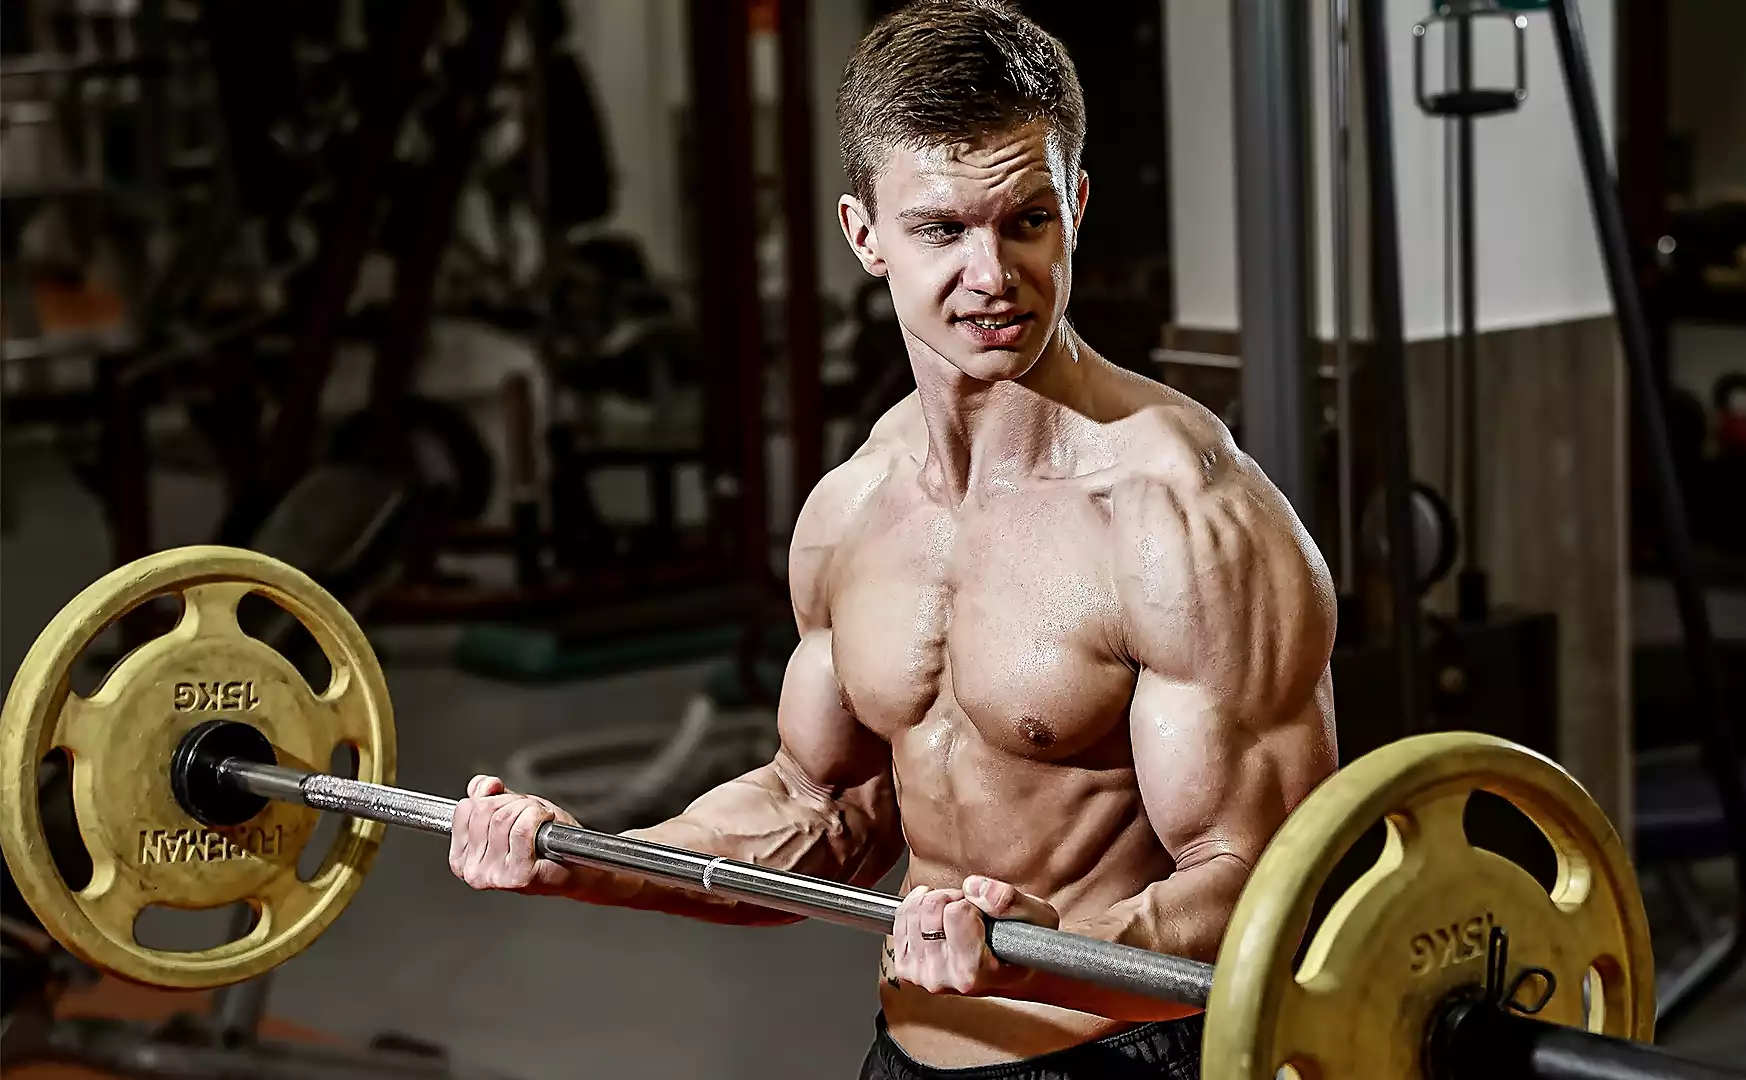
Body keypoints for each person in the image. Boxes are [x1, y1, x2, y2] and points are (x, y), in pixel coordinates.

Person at [448, 2, 1337, 1076]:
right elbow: (823, 812)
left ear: (1076, 207)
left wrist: (1045, 957)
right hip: (905, 1052)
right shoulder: (853, 510)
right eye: (942, 230)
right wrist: (589, 860)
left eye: (1026, 220)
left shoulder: (1181, 514)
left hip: (1131, 1055)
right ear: (865, 235)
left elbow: (1268, 876)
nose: (992, 275)